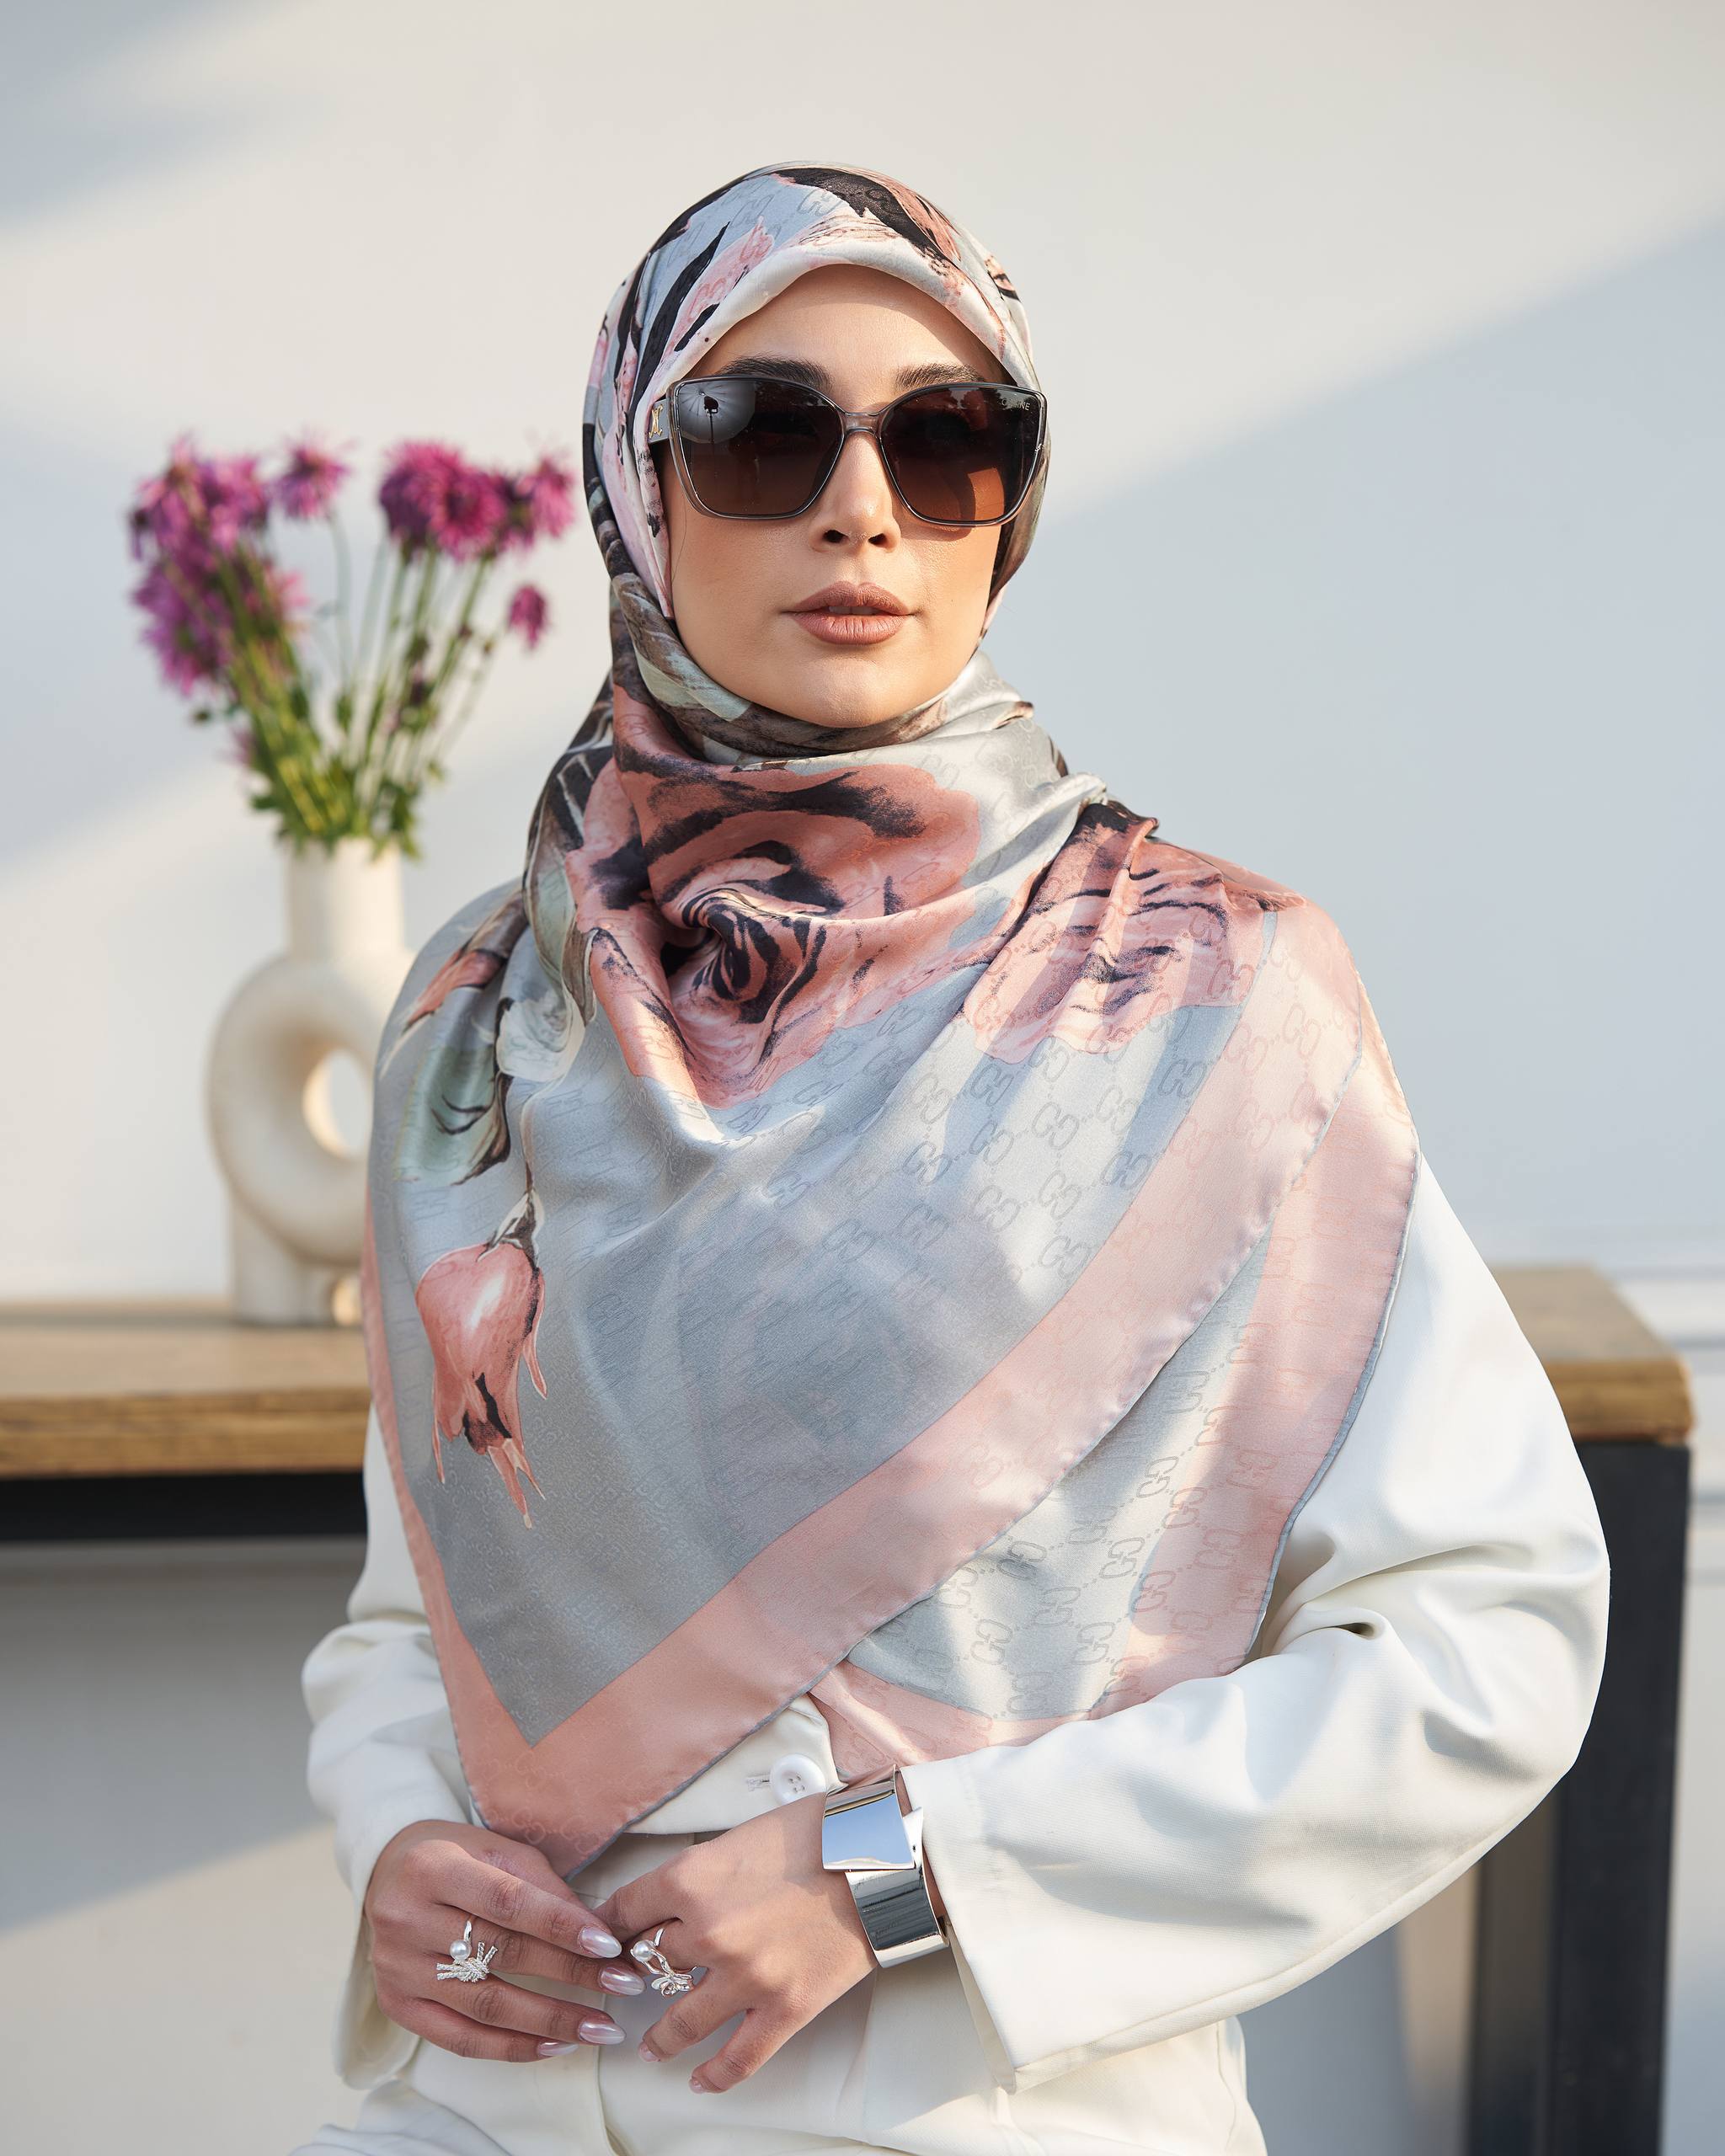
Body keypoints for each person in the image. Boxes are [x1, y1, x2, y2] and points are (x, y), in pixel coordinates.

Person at [291, 162, 1611, 2156]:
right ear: (636, 483)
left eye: (945, 439)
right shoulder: (483, 1017)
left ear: (1011, 500)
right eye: (760, 433)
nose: (860, 507)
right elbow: (423, 1614)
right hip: (493, 2108)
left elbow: (1483, 1635)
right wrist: (396, 1840)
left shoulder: (1204, 998)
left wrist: (904, 1872)